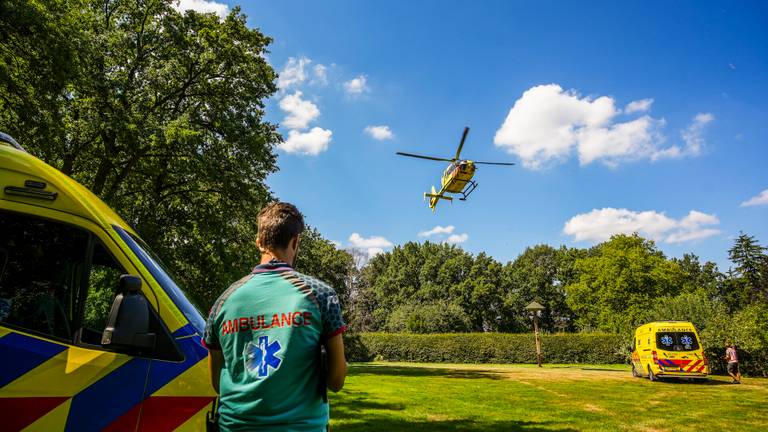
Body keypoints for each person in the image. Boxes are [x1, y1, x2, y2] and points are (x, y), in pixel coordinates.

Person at [204, 202, 348, 431]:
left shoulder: (224, 300)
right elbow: (336, 381)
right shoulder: (320, 295)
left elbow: (217, 383)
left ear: (258, 242)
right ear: (295, 241)